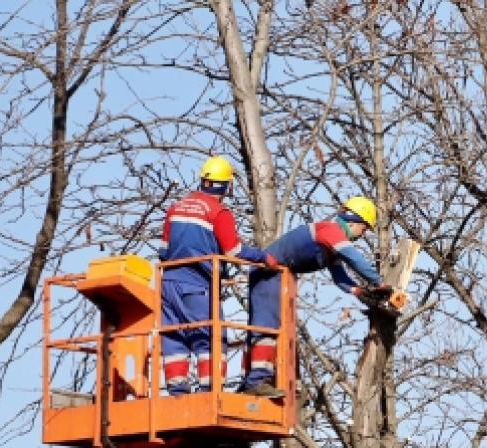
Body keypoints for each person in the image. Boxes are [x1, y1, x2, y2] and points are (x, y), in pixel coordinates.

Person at [240, 196, 392, 398]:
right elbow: (353, 258)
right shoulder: (330, 231)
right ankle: (256, 382)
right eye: (364, 229)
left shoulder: (332, 244)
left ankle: (265, 380)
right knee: (267, 327)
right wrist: (378, 282)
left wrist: (358, 292)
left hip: (279, 277)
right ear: (353, 220)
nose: (362, 235)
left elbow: (339, 277)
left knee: (278, 329)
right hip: (268, 274)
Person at [160, 156, 271, 395]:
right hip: (197, 285)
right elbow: (235, 251)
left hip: (167, 283)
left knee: (173, 337)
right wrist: (264, 258)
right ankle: (210, 392)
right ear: (227, 186)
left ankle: (177, 393)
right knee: (210, 337)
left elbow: (163, 250)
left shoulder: (175, 207)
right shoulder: (218, 212)